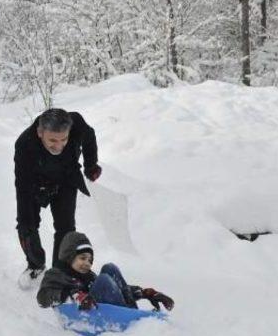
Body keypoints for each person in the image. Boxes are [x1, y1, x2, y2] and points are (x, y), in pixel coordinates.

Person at [15, 108, 102, 288]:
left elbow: (89, 136)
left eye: (64, 139)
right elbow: (22, 185)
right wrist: (25, 217)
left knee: (66, 227)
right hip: (35, 184)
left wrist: (91, 165)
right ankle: (36, 265)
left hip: (65, 179)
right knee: (26, 225)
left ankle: (60, 272)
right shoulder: (25, 144)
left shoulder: (76, 122)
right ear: (40, 133)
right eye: (52, 140)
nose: (59, 146)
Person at [37, 231, 175, 311]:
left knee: (109, 269)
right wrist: (72, 296)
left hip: (100, 308)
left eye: (90, 260)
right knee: (103, 280)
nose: (87, 263)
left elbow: (115, 289)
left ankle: (130, 311)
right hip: (82, 315)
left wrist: (145, 293)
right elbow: (42, 298)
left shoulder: (89, 277)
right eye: (82, 258)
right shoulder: (57, 274)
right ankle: (129, 315)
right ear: (69, 257)